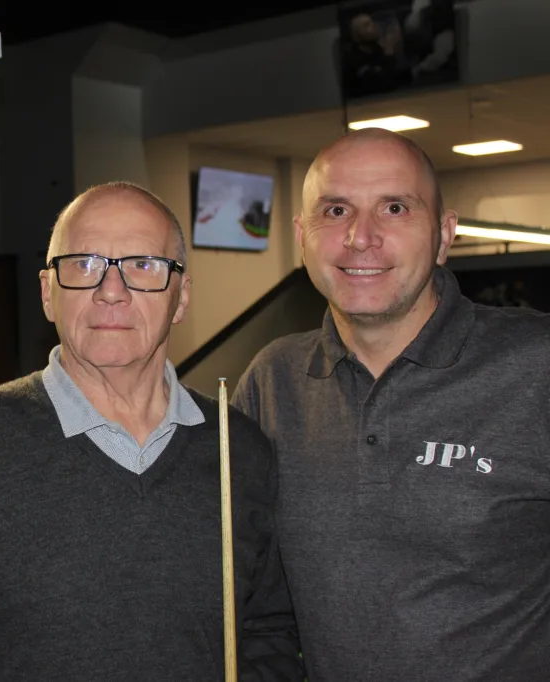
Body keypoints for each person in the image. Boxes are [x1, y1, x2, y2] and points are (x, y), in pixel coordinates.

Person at [0, 182, 303, 681]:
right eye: (84, 264)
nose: (110, 291)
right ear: (49, 294)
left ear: (181, 298)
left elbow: (269, 634)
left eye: (143, 265)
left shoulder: (239, 449)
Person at [232, 128, 550, 681]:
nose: (360, 236)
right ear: (302, 236)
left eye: (395, 207)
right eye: (336, 210)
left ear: (444, 234)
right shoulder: (272, 381)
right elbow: (252, 597)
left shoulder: (536, 366)